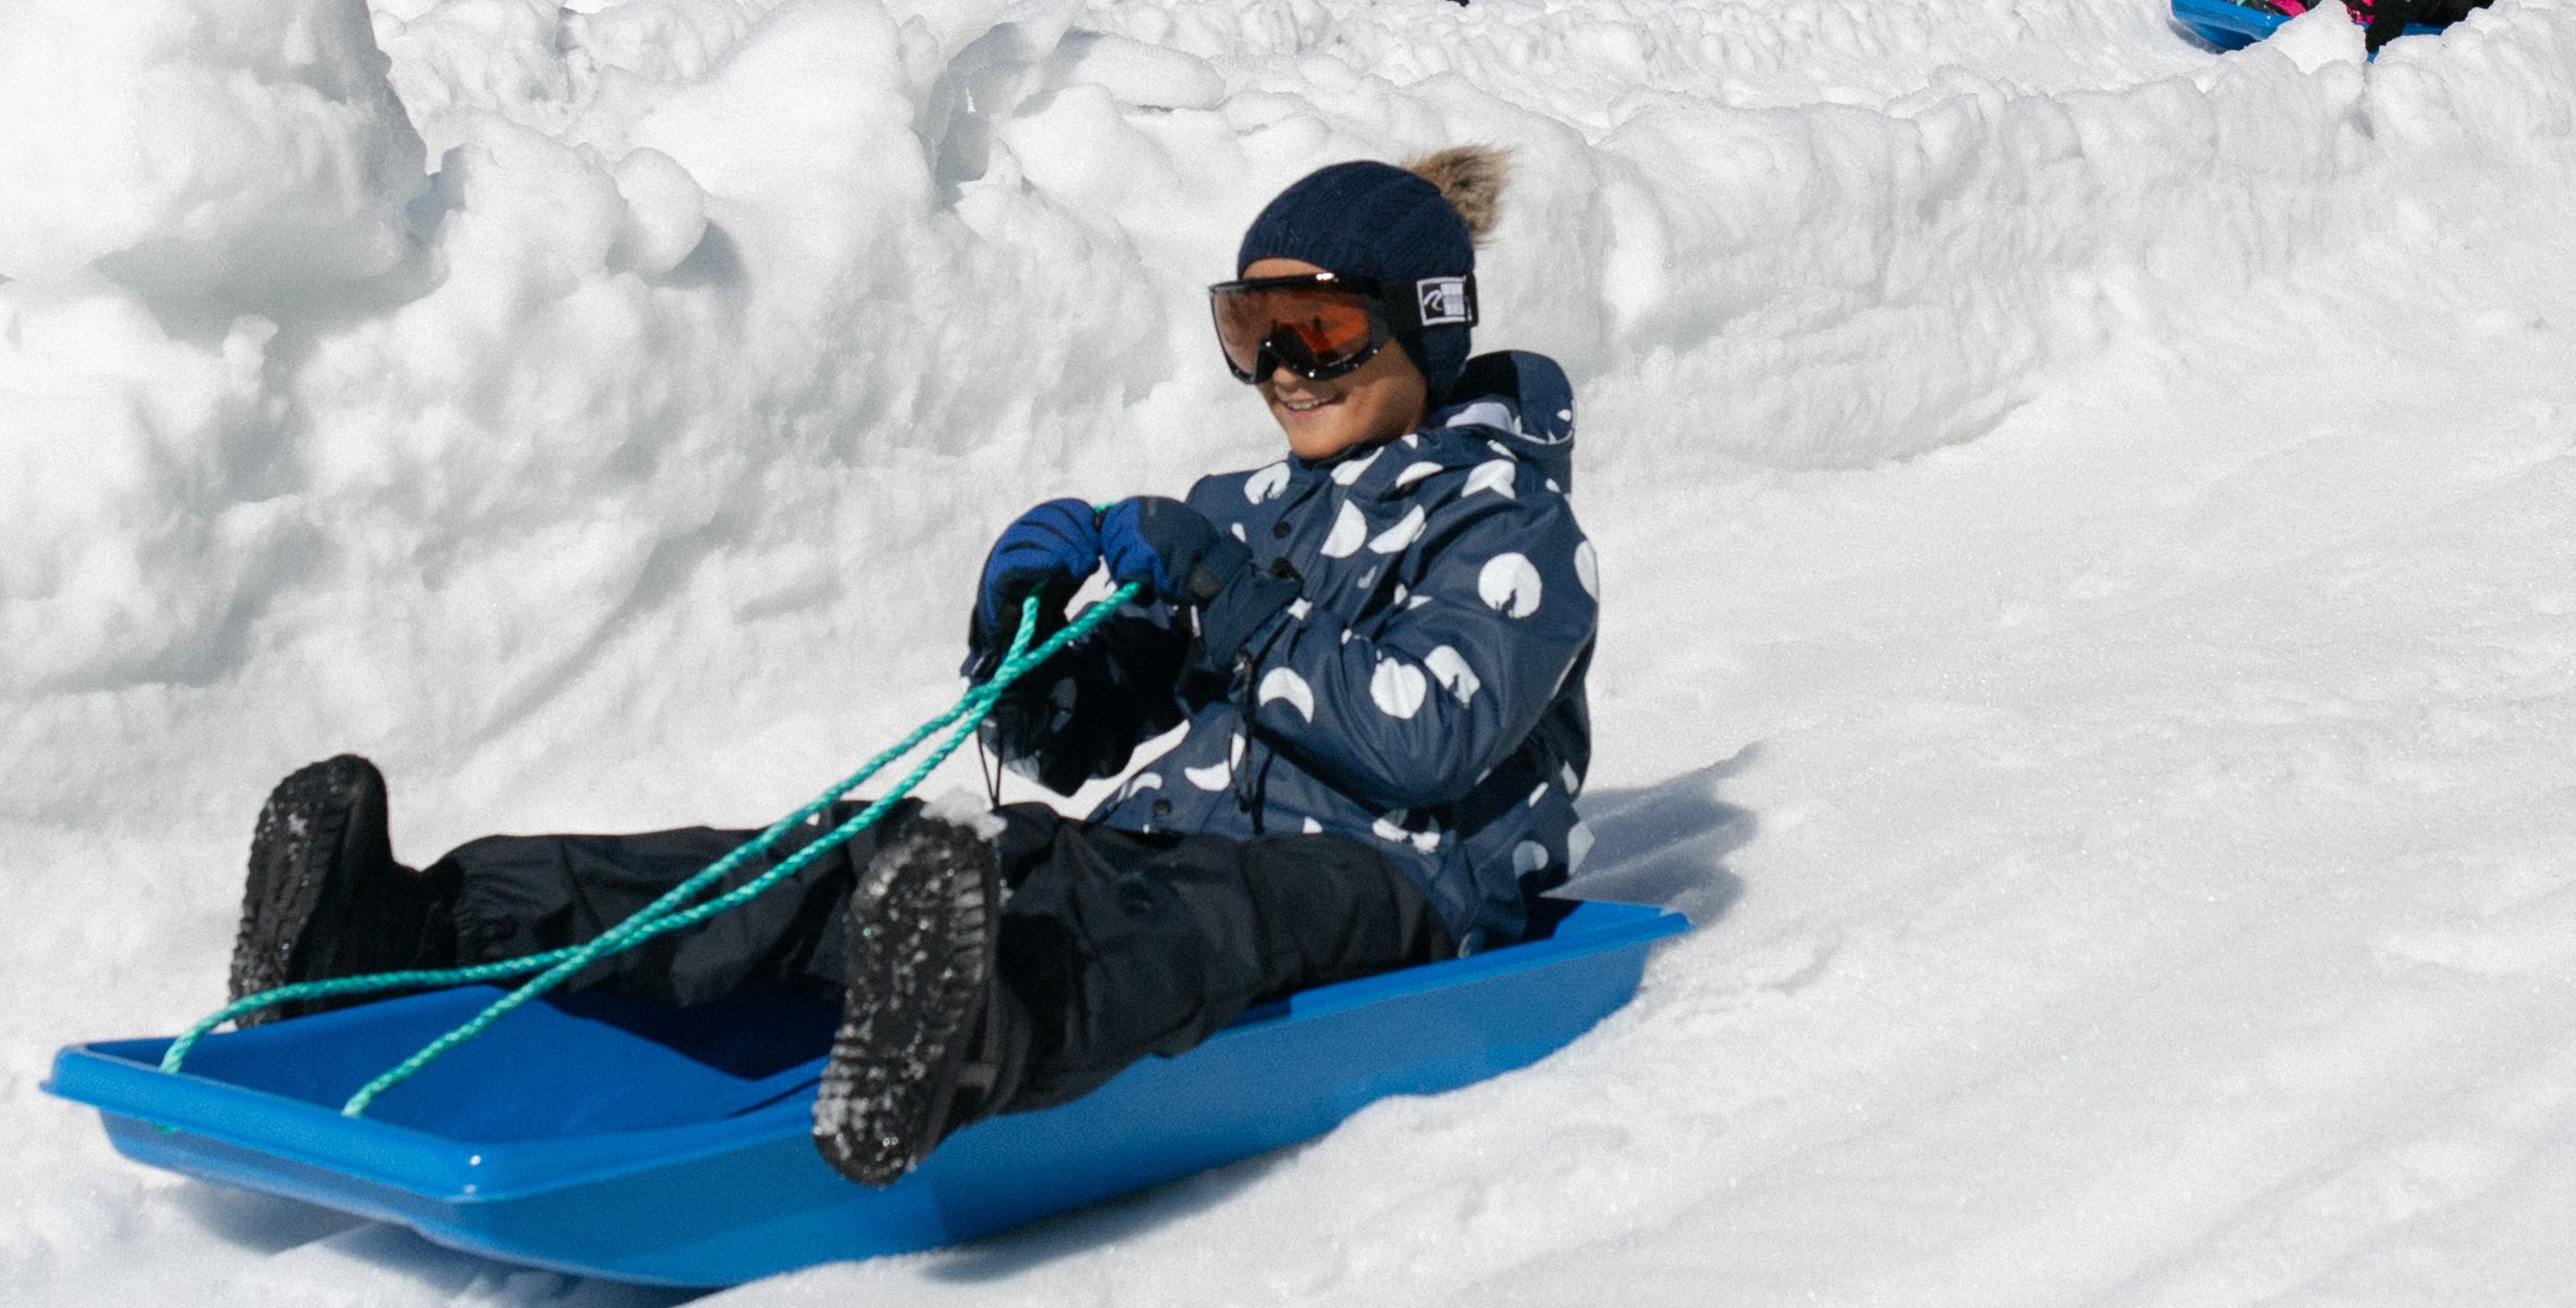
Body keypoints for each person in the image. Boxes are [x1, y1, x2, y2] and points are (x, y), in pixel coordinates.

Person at [226, 146, 1599, 1186]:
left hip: (1389, 884)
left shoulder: (1509, 525)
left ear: (1423, 325)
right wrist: (1028, 651)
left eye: (1323, 330)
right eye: (1253, 330)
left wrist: (1234, 608)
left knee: (1147, 916)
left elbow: (1430, 739)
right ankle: (410, 929)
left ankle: (969, 1036)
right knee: (859, 856)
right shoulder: (1246, 507)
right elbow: (1078, 746)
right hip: (1164, 846)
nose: (1285, 370)